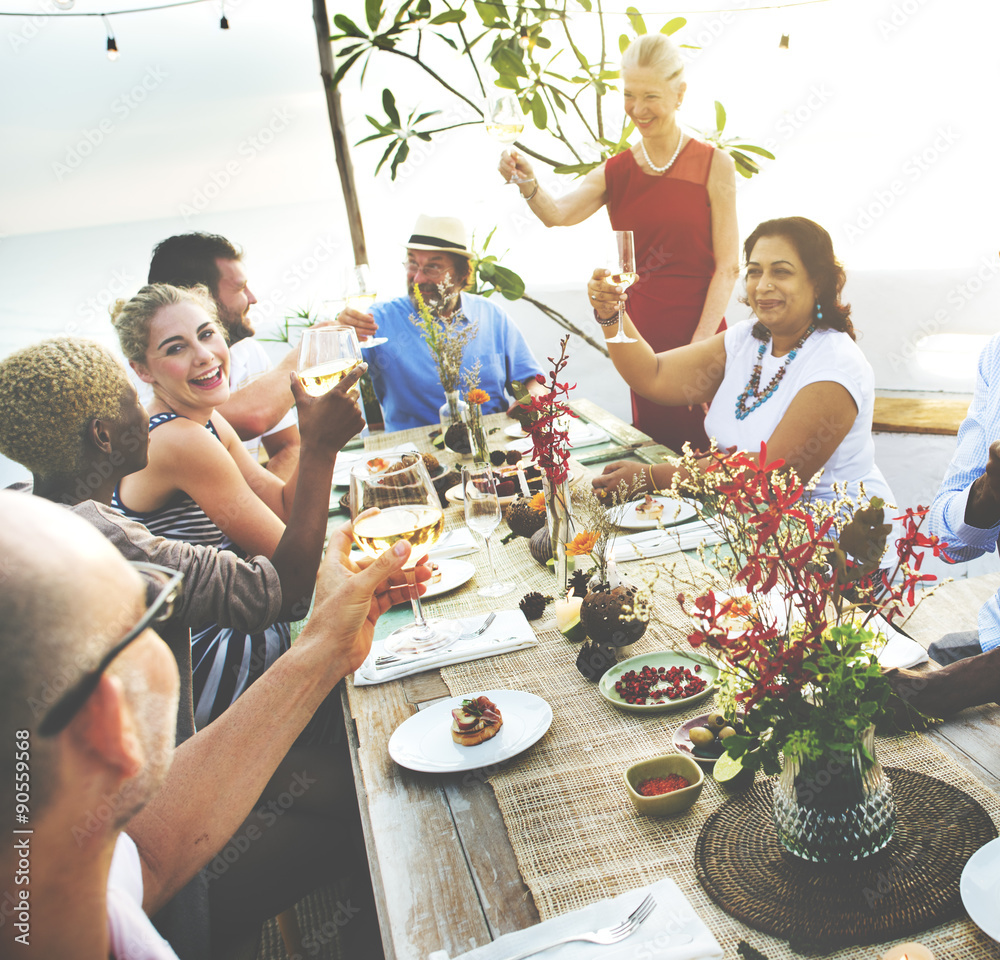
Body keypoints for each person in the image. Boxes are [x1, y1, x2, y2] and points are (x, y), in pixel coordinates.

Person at [0, 334, 369, 955]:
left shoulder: (38, 521)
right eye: (131, 398)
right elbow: (277, 593)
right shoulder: (95, 539)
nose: (145, 409)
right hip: (161, 833)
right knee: (368, 811)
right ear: (101, 435)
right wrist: (322, 447)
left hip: (140, 816)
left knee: (344, 793)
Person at [0, 490, 420, 959]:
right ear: (105, 727)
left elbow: (146, 856)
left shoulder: (55, 867)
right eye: (148, 619)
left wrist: (325, 648)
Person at [109, 283, 363, 727]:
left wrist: (314, 426)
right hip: (204, 662)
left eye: (207, 334)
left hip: (237, 623)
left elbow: (284, 510)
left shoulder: (204, 420)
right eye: (176, 348)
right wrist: (321, 448)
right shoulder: (177, 439)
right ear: (142, 370)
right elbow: (293, 587)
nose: (204, 355)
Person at [498, 33, 739, 452]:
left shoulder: (715, 164)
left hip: (702, 333)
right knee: (656, 454)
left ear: (680, 94)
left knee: (713, 453)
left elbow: (729, 266)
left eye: (651, 96)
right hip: (639, 337)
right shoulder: (617, 170)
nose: (638, 109)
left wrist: (699, 346)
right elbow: (557, 214)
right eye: (629, 95)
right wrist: (526, 181)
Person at [590, 216, 894, 507]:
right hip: (741, 518)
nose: (762, 285)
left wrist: (653, 477)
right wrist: (611, 314)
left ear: (818, 282)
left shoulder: (835, 364)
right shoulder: (748, 340)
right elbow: (652, 376)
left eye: (781, 272)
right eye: (754, 271)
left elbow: (773, 475)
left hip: (830, 539)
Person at [336, 214, 545, 432]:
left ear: (463, 273)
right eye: (413, 264)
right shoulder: (377, 321)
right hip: (412, 453)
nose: (418, 278)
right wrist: (340, 333)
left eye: (433, 267)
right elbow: (336, 380)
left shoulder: (492, 316)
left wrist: (534, 398)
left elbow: (532, 380)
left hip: (495, 445)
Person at [148, 232, 305, 477]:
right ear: (198, 296)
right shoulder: (149, 376)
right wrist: (306, 355)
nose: (252, 298)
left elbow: (289, 444)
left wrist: (272, 506)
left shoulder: (248, 351)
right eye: (240, 288)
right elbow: (252, 418)